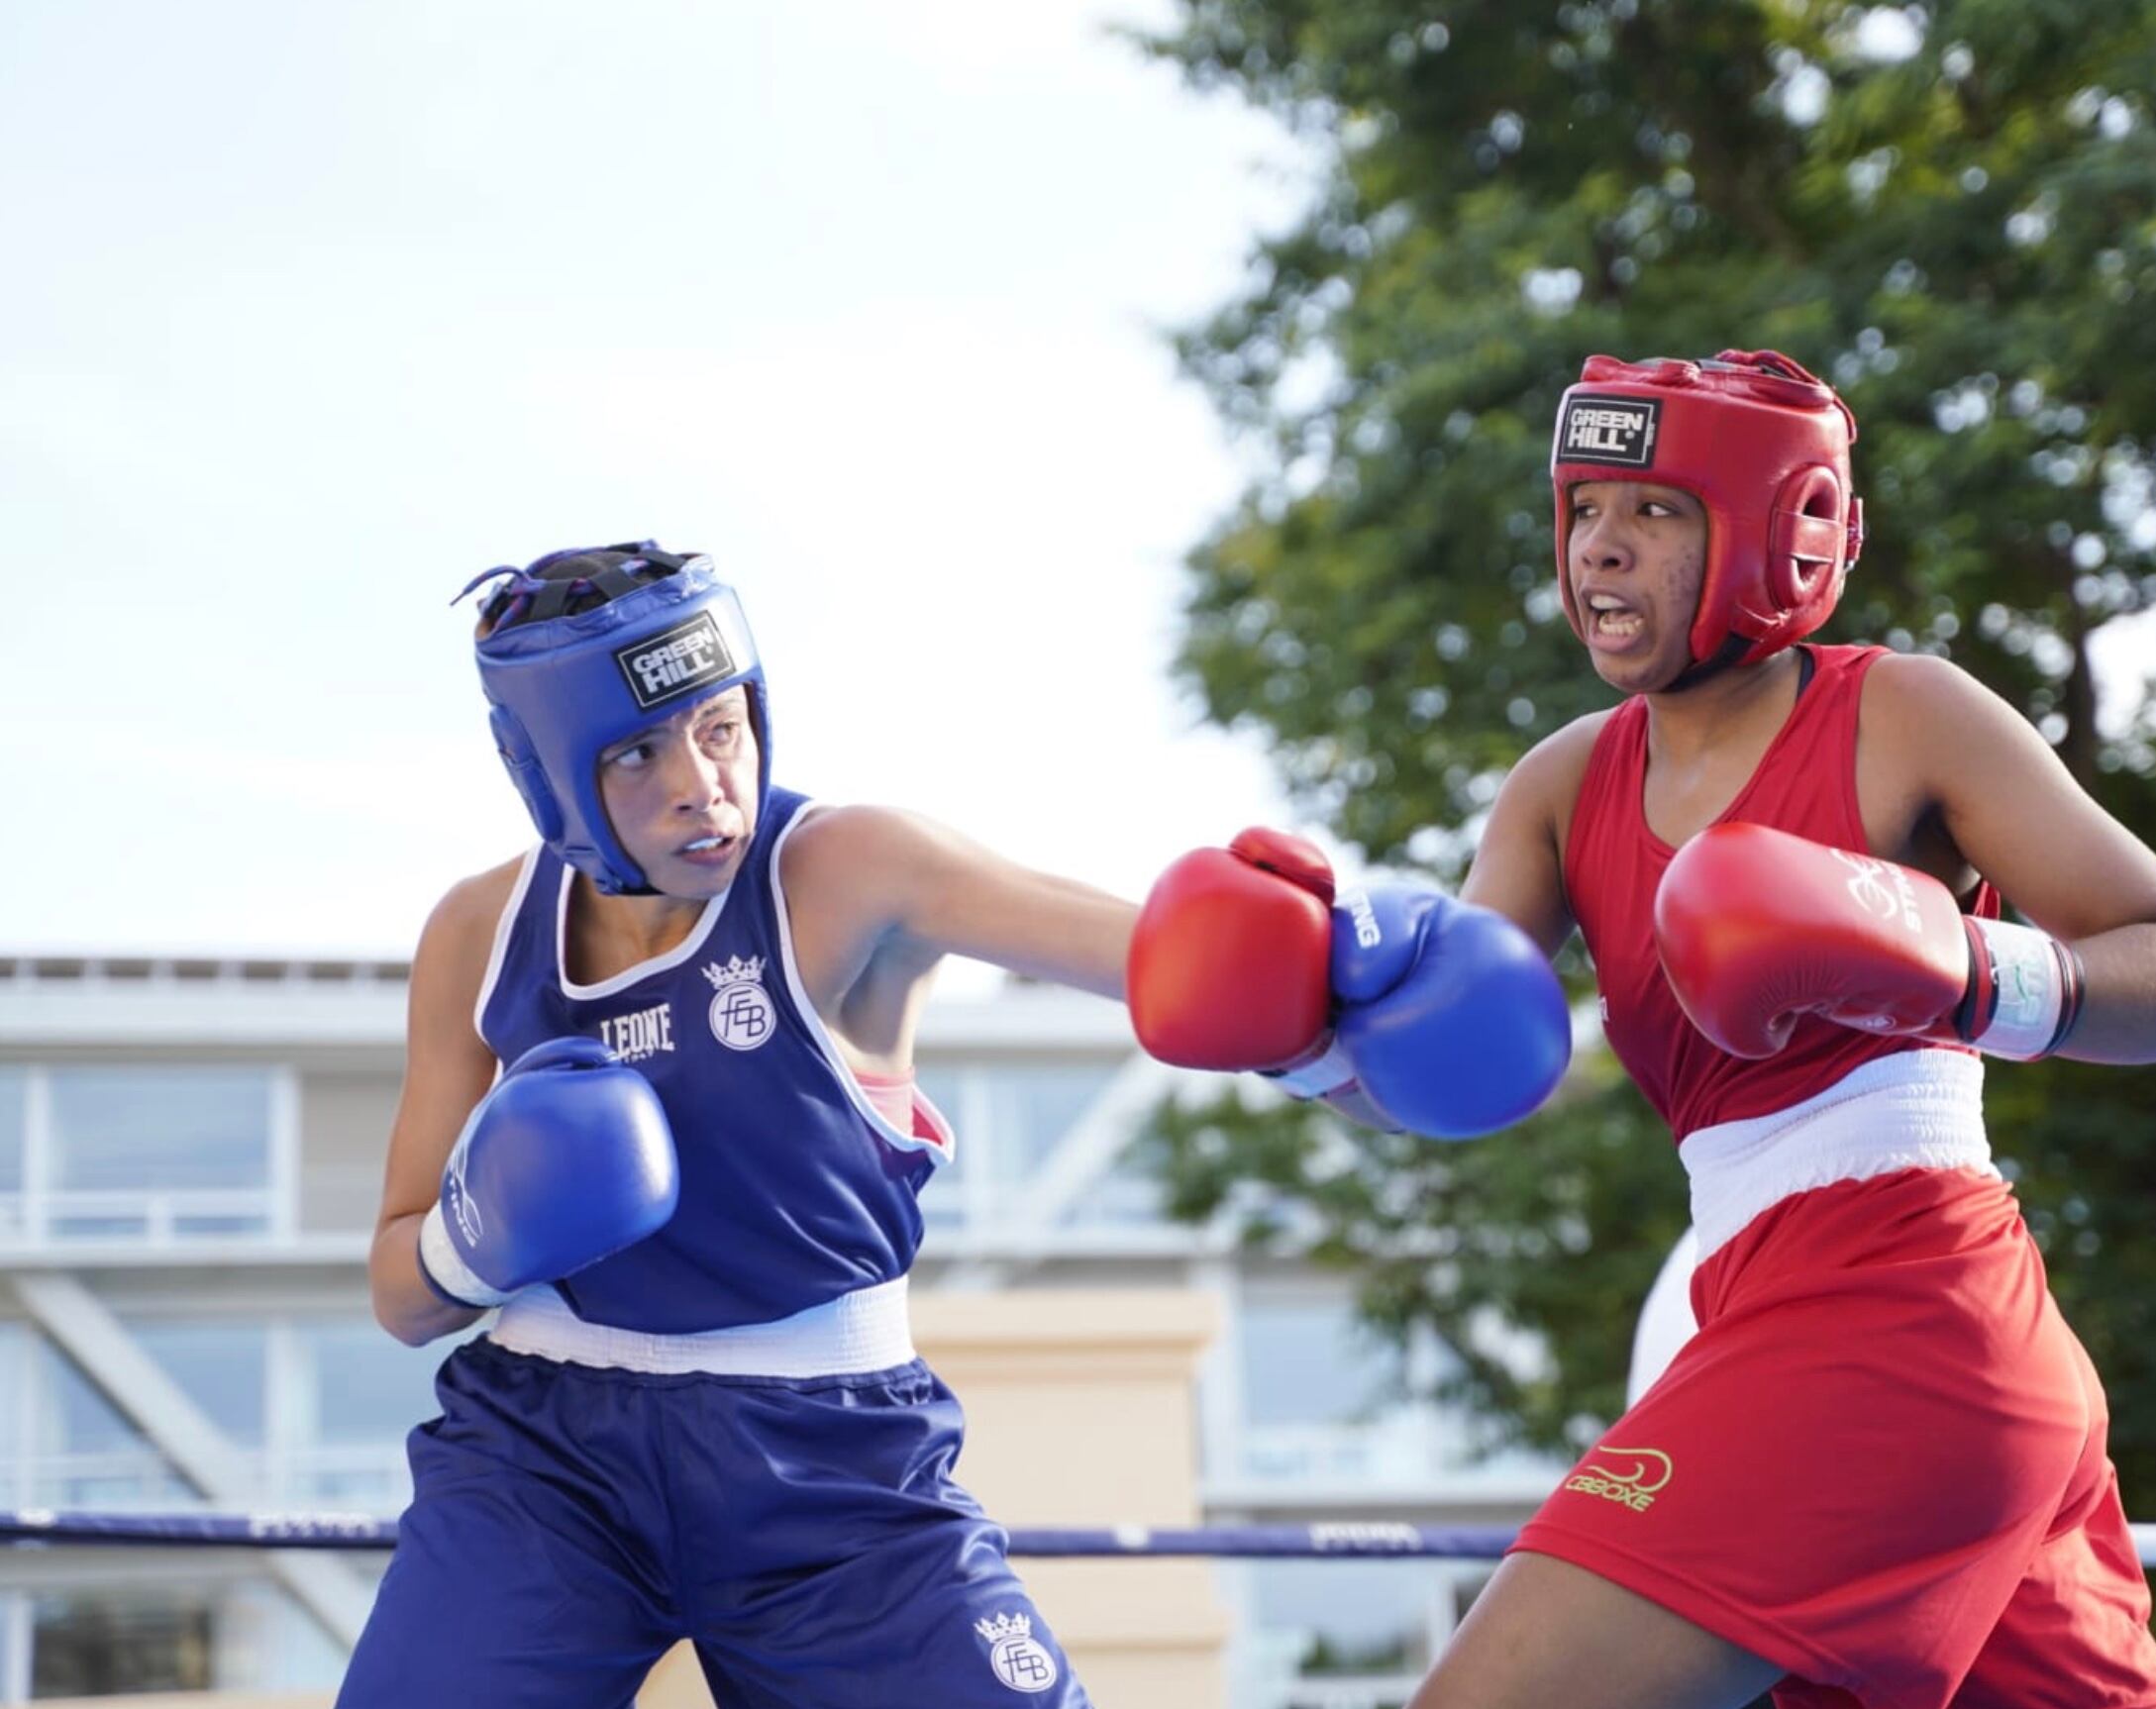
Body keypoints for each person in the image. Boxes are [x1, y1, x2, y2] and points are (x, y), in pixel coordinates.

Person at [1136, 353, 2156, 1709]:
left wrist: (1956, 964)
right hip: (1772, 1306)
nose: (1600, 546)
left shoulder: (1901, 714)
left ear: (1778, 530)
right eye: (1585, 507)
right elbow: (1456, 1068)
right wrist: (1302, 1030)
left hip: (1912, 1307)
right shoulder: (1562, 784)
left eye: (1656, 509)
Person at [348, 542, 1570, 1708]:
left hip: (828, 1466)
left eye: (721, 729)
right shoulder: (480, 935)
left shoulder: (846, 869)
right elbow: (405, 1294)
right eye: (637, 757)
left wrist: (1328, 1032)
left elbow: (1164, 965)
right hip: (542, 1462)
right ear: (550, 776)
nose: (701, 787)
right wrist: (481, 1229)